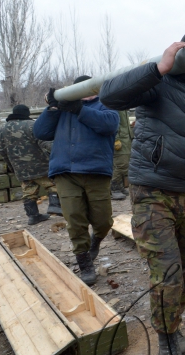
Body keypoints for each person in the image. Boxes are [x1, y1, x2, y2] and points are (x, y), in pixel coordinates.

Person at [99, 31, 185, 355]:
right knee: (168, 275)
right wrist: (158, 67)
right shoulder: (158, 82)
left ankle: (173, 326)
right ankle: (167, 340)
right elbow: (109, 96)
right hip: (153, 194)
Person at [33, 78, 120, 285]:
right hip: (65, 171)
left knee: (103, 220)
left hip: (96, 171)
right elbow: (40, 132)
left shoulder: (106, 104)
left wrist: (79, 109)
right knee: (74, 217)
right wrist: (53, 107)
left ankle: (96, 240)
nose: (85, 92)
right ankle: (84, 262)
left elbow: (109, 125)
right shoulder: (62, 108)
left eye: (89, 89)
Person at [0, 104, 62, 225]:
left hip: (20, 168)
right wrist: (60, 151)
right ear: (26, 114)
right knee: (53, 185)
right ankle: (55, 206)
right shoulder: (32, 125)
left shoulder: (2, 129)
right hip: (40, 165)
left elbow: (2, 151)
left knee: (28, 191)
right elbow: (44, 143)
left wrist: (12, 167)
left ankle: (33, 216)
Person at [111, 110, 133, 200]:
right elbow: (113, 122)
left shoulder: (121, 103)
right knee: (121, 165)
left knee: (124, 164)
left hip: (125, 139)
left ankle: (120, 187)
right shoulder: (115, 103)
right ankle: (114, 189)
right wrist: (116, 139)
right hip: (120, 139)